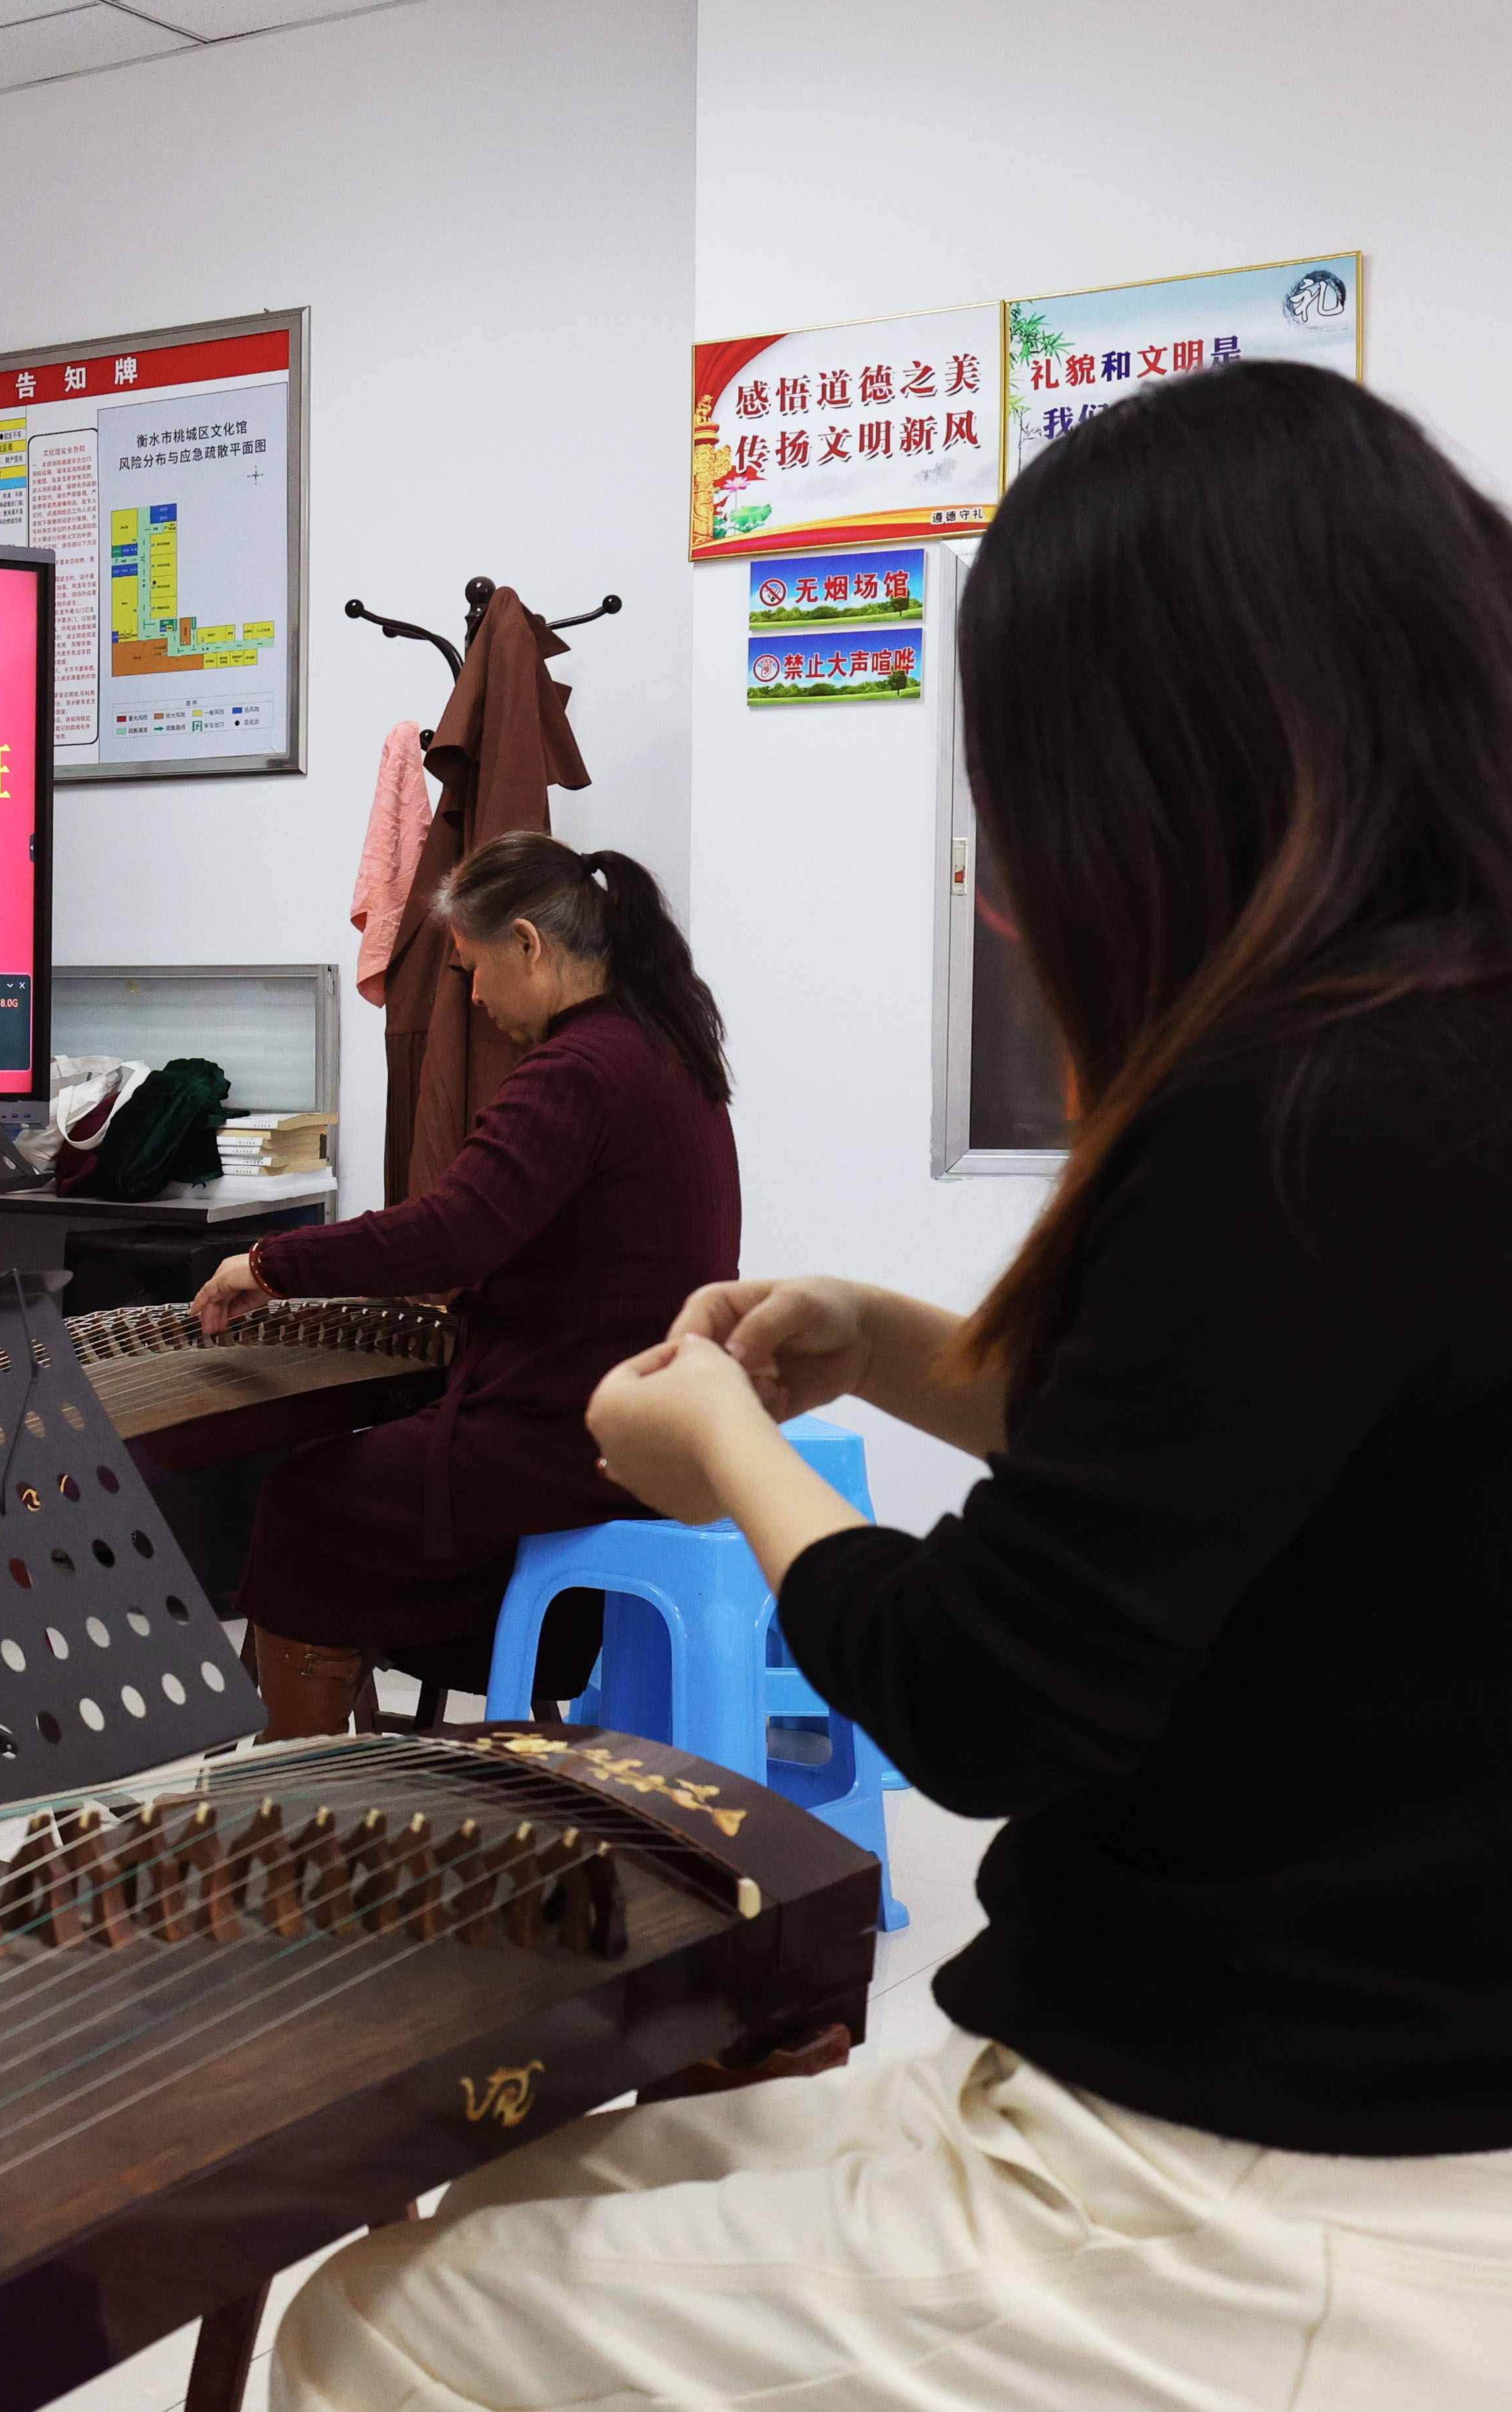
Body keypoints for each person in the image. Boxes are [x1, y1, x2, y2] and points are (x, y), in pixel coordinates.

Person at [279, 363, 1512, 2405]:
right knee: (507, 2198)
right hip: (1288, 2066)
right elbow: (1222, 1451)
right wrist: (884, 1340)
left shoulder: (1300, 1109)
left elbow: (986, 1691)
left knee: (375, 2319)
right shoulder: (1429, 1062)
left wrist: (726, 1448)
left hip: (1254, 2161)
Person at [188, 831, 738, 1735]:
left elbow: (449, 1232)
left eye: (475, 968)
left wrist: (270, 1265)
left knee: (304, 1503)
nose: (475, 997)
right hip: (647, 1418)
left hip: (573, 1431)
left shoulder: (575, 1070)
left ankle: (297, 1777)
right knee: (364, 1485)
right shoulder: (664, 1050)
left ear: (528, 945)